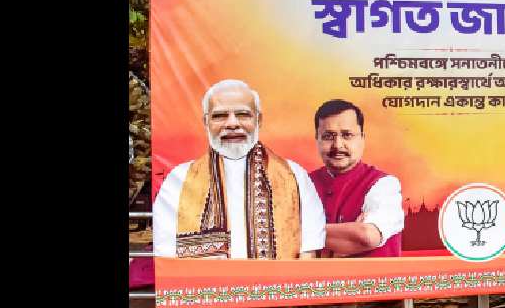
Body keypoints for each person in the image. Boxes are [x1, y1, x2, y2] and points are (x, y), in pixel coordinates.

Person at [153, 79, 325, 259]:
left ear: (259, 120)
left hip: (275, 286)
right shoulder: (179, 180)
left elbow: (308, 252)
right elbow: (166, 255)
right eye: (219, 116)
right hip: (207, 286)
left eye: (243, 114)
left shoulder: (293, 175)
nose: (232, 124)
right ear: (206, 122)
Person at [309, 99, 404, 257]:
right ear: (317, 140)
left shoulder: (384, 185)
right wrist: (345, 236)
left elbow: (366, 236)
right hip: (315, 282)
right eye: (328, 136)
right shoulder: (301, 184)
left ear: (362, 138)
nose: (338, 145)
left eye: (347, 135)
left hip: (371, 281)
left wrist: (298, 232)